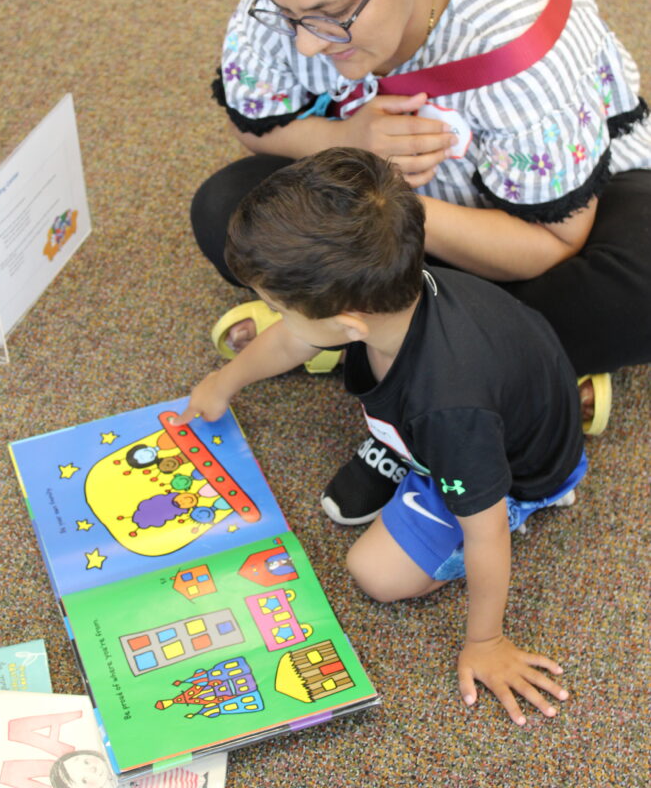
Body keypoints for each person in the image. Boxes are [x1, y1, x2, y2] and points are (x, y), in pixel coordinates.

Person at [192, 0, 651, 522]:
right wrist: (346, 136)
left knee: (635, 287)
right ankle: (457, 353)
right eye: (289, 15)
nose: (308, 45)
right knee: (224, 209)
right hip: (391, 201)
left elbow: (552, 242)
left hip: (552, 214)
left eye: (332, 17)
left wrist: (388, 211)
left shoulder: (516, 31)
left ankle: (344, 334)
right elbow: (257, 123)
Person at [176, 147, 587, 726]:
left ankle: (539, 496)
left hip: (515, 471)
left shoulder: (448, 408)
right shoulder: (393, 293)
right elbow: (296, 339)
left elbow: (487, 531)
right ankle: (403, 448)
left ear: (349, 326)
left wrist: (487, 641)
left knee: (375, 572)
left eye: (275, 306)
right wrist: (224, 382)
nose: (268, 314)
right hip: (497, 398)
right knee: (386, 403)